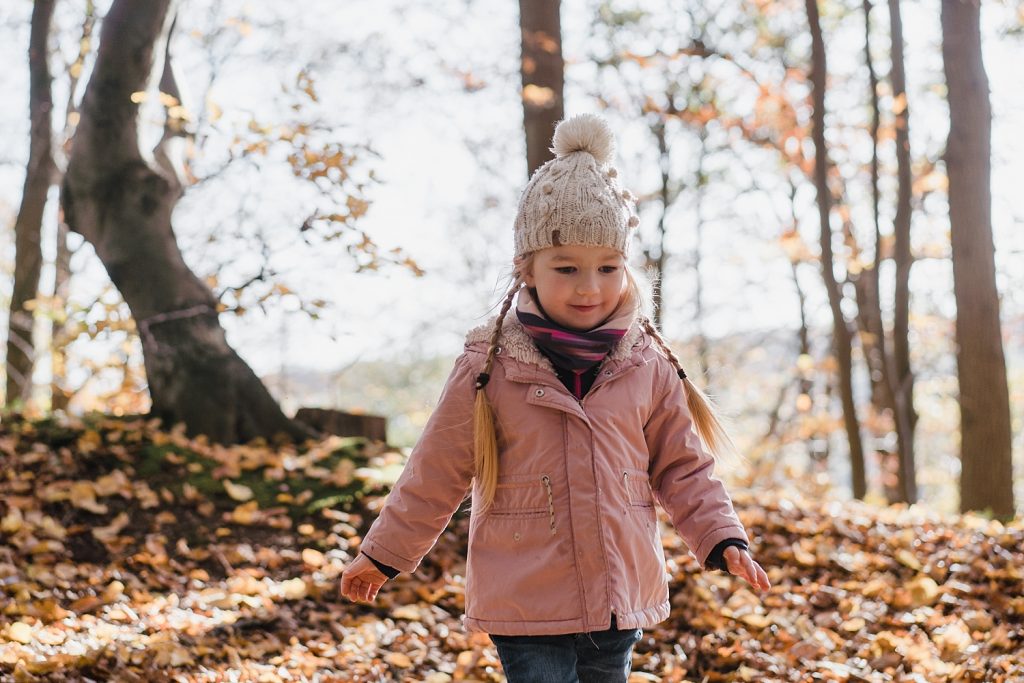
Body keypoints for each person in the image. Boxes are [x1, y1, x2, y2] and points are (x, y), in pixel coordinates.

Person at [339, 113, 770, 682]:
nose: (589, 287)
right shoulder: (489, 369)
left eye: (607, 268)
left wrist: (722, 537)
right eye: (566, 268)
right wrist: (383, 554)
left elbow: (684, 467)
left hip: (620, 589)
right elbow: (435, 471)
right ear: (528, 270)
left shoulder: (647, 365)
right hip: (525, 597)